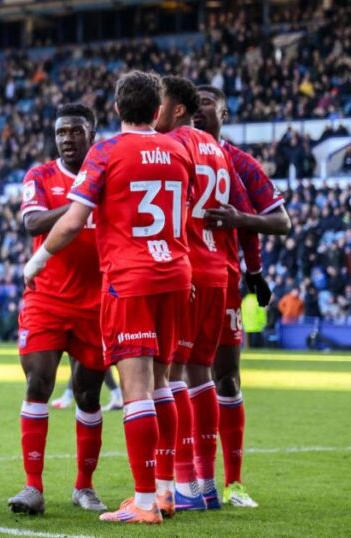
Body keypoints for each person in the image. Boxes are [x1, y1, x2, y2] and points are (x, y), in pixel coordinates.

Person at [25, 71, 193, 525]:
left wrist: (38, 262)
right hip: (176, 274)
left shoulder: (107, 151)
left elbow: (73, 221)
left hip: (131, 278)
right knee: (164, 384)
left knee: (136, 389)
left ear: (118, 110)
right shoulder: (179, 149)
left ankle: (142, 503)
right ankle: (166, 491)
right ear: (157, 110)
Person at [153, 76, 258, 514]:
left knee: (172, 375)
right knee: (202, 378)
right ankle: (207, 485)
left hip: (190, 270)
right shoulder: (218, 150)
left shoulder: (178, 144)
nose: (155, 112)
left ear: (177, 109)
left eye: (160, 104)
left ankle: (183, 483)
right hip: (219, 273)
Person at [194, 85, 292, 508]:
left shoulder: (241, 163)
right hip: (180, 280)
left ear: (225, 113)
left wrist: (240, 223)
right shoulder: (174, 155)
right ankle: (196, 482)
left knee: (226, 378)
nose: (197, 114)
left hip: (225, 282)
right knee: (182, 380)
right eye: (190, 107)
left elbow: (280, 222)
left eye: (206, 106)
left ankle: (233, 483)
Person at [9, 103, 109, 515]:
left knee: (88, 394)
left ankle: (84, 486)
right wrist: (82, 204)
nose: (67, 139)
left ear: (92, 133)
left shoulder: (109, 176)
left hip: (97, 302)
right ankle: (32, 486)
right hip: (46, 299)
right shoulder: (41, 176)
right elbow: (33, 223)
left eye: (75, 131)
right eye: (61, 132)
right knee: (39, 384)